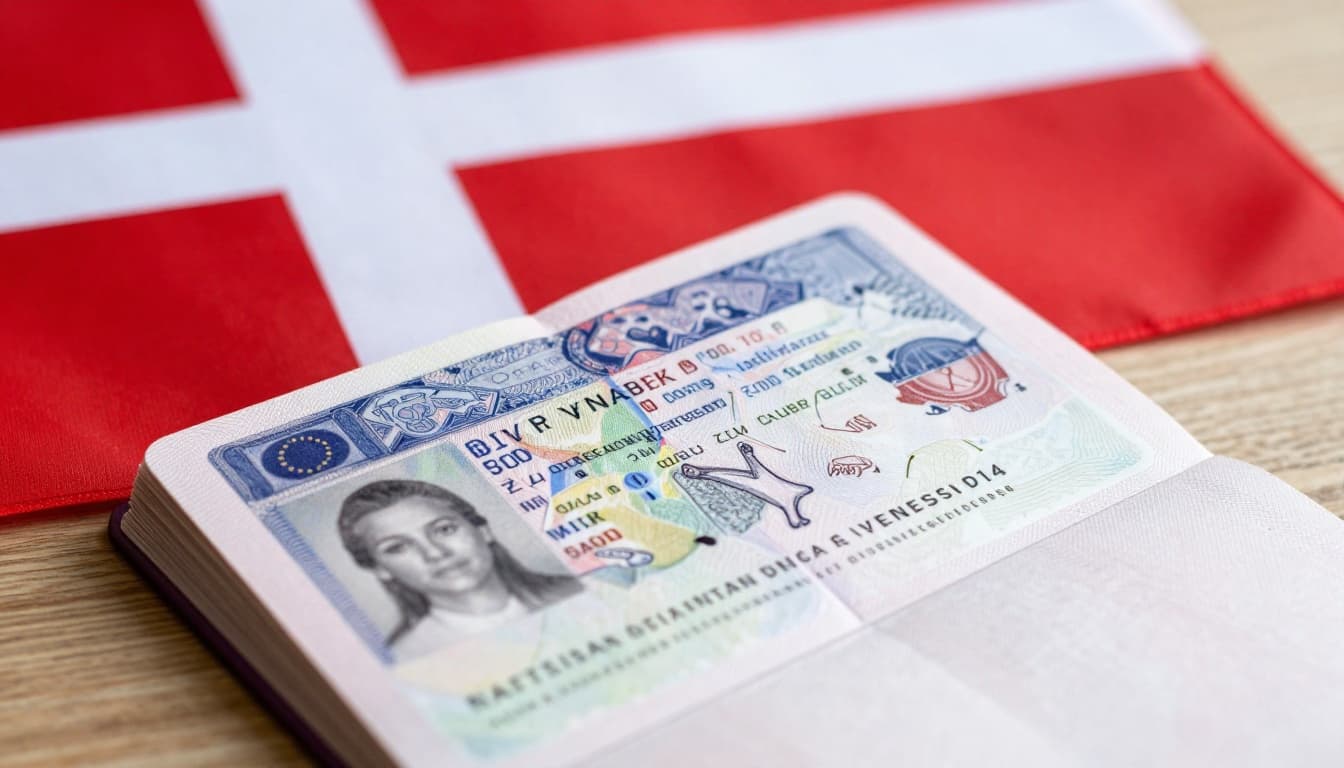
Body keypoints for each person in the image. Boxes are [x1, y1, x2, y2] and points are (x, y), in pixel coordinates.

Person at [338, 479, 580, 658]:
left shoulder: (581, 591)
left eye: (444, 530)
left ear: (483, 530)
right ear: (380, 569)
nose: (434, 553)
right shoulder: (406, 657)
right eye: (397, 547)